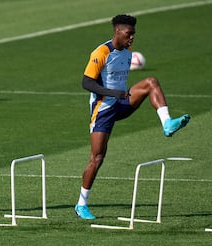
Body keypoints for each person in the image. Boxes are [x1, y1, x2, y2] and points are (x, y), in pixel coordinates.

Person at [75, 14, 190, 219]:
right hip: (103, 110)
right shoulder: (101, 52)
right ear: (117, 32)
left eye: (133, 34)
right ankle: (81, 204)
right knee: (97, 158)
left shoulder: (128, 52)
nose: (132, 38)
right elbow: (86, 83)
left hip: (123, 101)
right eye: (129, 34)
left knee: (150, 82)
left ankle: (167, 123)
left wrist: (120, 94)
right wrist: (113, 94)